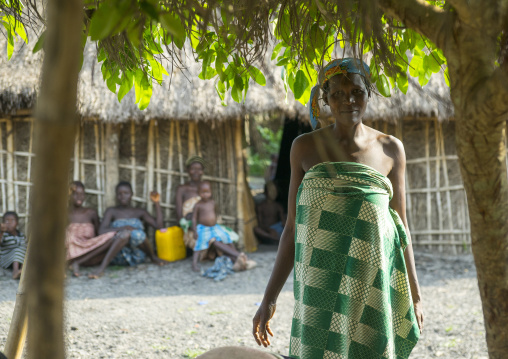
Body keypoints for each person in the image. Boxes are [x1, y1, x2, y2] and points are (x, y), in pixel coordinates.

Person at [253, 58, 424, 359]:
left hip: (371, 284)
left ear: (369, 93)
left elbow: (401, 227)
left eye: (357, 92)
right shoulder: (304, 148)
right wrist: (268, 299)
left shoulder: (390, 149)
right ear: (326, 100)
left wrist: (415, 296)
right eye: (338, 94)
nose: (349, 100)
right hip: (320, 284)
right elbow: (292, 229)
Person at [66, 181, 131, 278]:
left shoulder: (91, 213)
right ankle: (71, 264)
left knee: (124, 235)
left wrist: (122, 228)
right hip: (70, 255)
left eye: (82, 194)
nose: (79, 197)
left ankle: (98, 269)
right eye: (75, 194)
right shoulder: (64, 213)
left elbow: (99, 235)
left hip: (91, 254)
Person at [99, 181, 167, 267]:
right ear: (116, 196)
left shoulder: (139, 212)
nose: (123, 196)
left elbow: (159, 226)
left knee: (136, 234)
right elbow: (101, 231)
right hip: (119, 256)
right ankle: (103, 266)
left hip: (138, 256)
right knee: (125, 234)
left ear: (132, 194)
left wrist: (156, 203)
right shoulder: (112, 211)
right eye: (119, 194)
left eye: (126, 193)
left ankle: (153, 257)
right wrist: (124, 228)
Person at [192, 180, 254, 272]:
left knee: (227, 237)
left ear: (211, 192)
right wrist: (194, 231)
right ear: (198, 193)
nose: (205, 195)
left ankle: (236, 256)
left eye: (207, 192)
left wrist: (216, 220)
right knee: (199, 245)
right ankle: (194, 264)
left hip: (214, 227)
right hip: (203, 228)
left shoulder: (212, 202)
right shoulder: (198, 205)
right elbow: (193, 219)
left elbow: (215, 213)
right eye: (202, 192)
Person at [175, 155, 207, 249]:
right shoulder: (182, 189)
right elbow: (179, 215)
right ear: (188, 170)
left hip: (206, 225)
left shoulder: (206, 189)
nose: (196, 172)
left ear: (203, 171)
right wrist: (190, 226)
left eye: (199, 169)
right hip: (190, 229)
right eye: (193, 169)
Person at [0, 211, 26, 279]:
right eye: (7, 221)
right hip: (6, 260)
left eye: (12, 220)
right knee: (17, 250)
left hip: (19, 259)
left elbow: (24, 247)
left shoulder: (21, 235)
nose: (9, 223)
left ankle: (23, 270)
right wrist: (1, 232)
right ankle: (15, 272)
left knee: (25, 251)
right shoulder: (4, 235)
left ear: (17, 223)